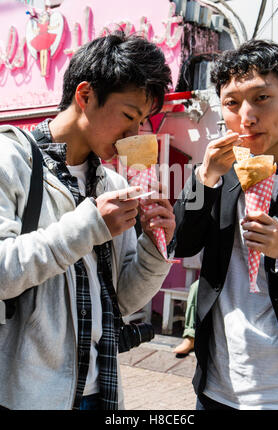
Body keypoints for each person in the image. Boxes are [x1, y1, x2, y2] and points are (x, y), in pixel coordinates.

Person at [0, 32, 176, 410]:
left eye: (143, 121)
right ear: (85, 96)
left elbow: (122, 301)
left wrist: (154, 245)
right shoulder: (11, 160)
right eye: (129, 116)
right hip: (27, 397)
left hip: (102, 391)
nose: (134, 134)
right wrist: (90, 226)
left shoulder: (111, 183)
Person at [174, 39, 278, 410]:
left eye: (262, 98)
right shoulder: (221, 169)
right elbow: (181, 243)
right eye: (231, 103)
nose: (246, 116)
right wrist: (205, 177)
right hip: (218, 386)